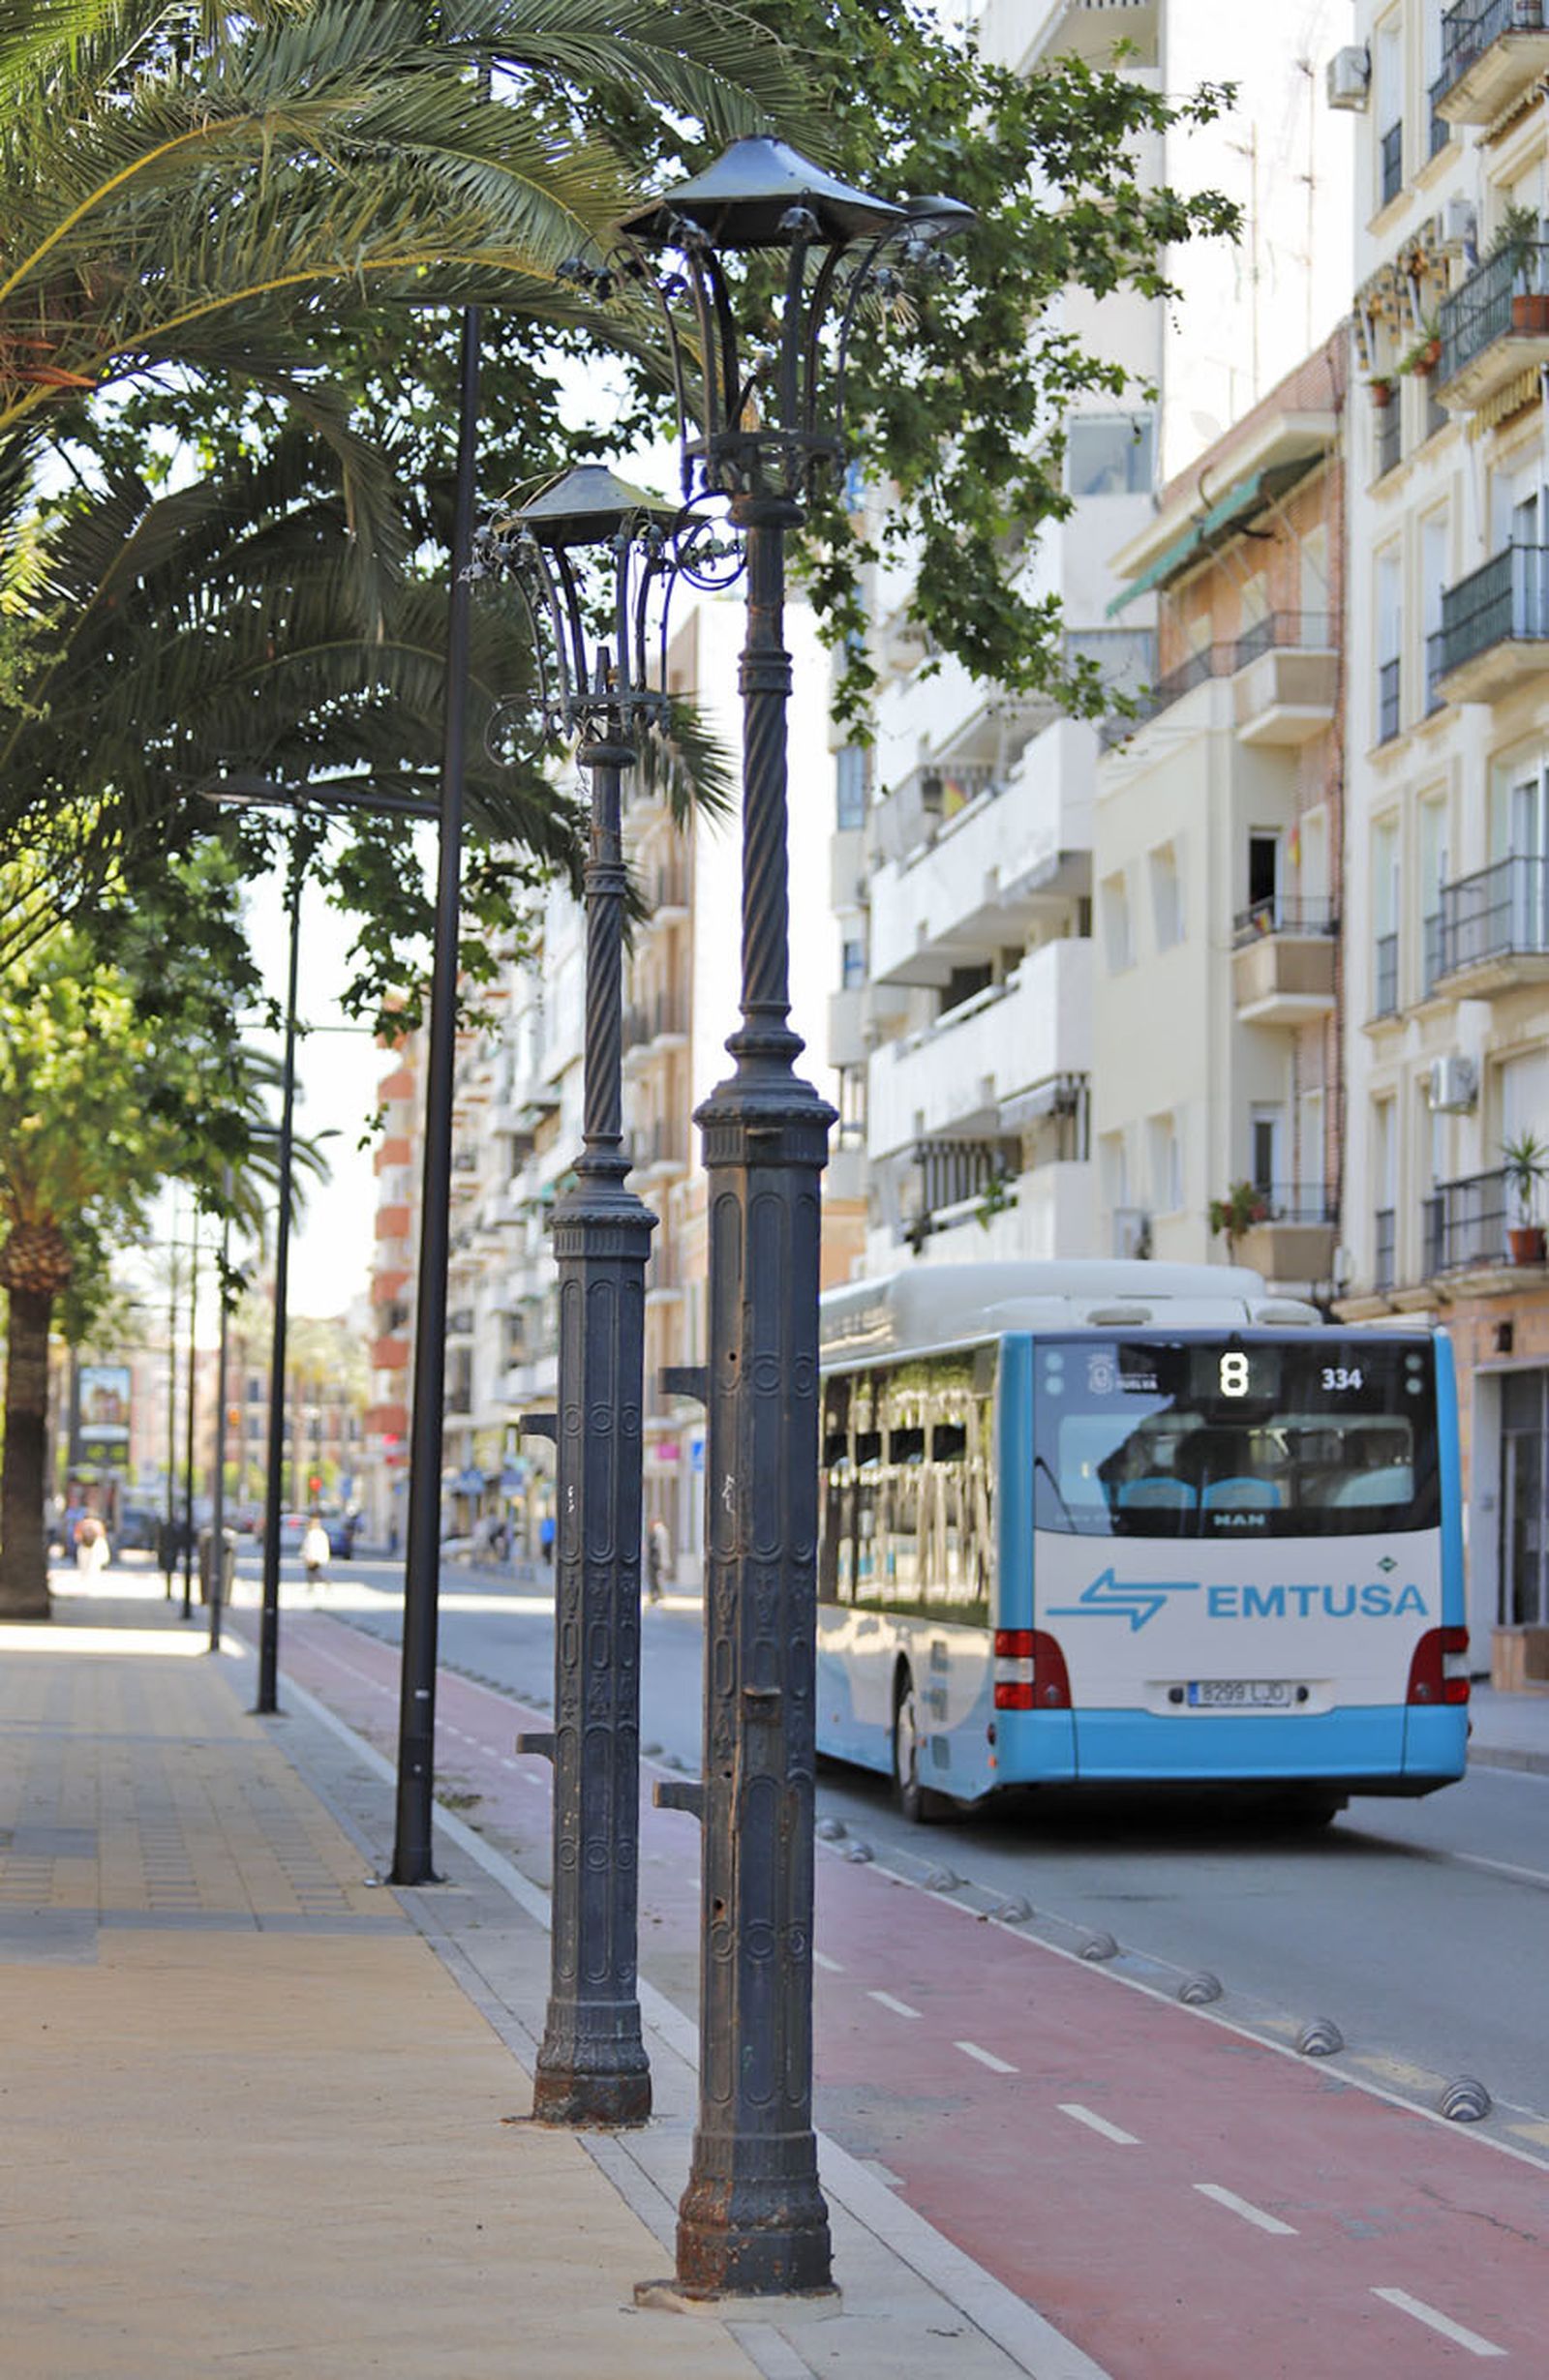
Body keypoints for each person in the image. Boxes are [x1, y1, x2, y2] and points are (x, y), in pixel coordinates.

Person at [645, 1516, 670, 1605]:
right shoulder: (661, 1531)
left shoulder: (658, 1531)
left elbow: (657, 1547)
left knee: (656, 1578)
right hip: (657, 1559)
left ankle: (657, 1595)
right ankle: (657, 1594)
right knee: (657, 1578)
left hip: (655, 1560)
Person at [301, 1515, 329, 1588]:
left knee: (312, 1572)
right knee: (313, 1572)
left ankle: (320, 1582)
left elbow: (310, 1546)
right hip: (317, 1557)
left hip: (314, 1557)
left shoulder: (314, 1533)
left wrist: (308, 1557)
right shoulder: (319, 1533)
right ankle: (313, 1584)